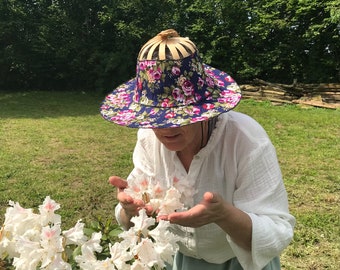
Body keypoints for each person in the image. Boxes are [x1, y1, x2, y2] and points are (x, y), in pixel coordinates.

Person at [100, 29, 295, 270]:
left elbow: (277, 231)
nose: (164, 129)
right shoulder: (148, 138)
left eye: (177, 116)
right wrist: (131, 209)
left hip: (242, 263)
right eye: (154, 118)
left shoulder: (245, 139)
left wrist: (223, 215)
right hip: (182, 261)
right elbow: (137, 212)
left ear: (205, 110)